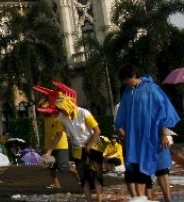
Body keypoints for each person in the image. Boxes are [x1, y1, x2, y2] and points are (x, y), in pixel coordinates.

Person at [115, 64, 180, 202]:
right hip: (137, 140)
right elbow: (122, 116)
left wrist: (163, 134)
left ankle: (168, 198)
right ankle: (143, 199)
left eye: (126, 79)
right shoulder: (128, 91)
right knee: (140, 170)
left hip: (155, 136)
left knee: (161, 169)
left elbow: (163, 111)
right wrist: (125, 135)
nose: (125, 83)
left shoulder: (152, 89)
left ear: (134, 75)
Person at [54, 93, 104, 202]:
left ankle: (100, 200)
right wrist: (49, 151)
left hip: (94, 146)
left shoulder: (84, 113)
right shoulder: (61, 118)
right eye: (59, 110)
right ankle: (89, 199)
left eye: (62, 109)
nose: (61, 112)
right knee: (83, 176)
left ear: (67, 106)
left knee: (95, 174)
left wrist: (88, 146)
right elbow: (58, 135)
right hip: (77, 149)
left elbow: (97, 131)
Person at [42, 101, 70, 189]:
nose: (44, 111)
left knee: (63, 167)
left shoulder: (59, 118)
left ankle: (79, 178)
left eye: (45, 109)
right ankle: (56, 184)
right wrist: (45, 97)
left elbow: (59, 135)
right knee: (51, 166)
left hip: (60, 145)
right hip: (48, 144)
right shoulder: (45, 117)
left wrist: (49, 151)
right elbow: (38, 106)